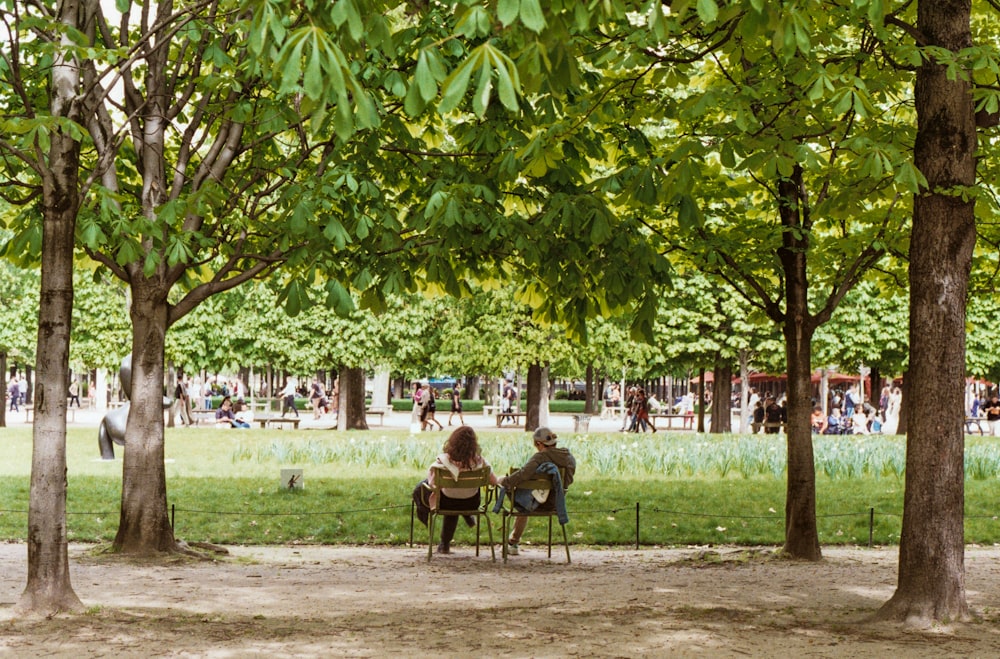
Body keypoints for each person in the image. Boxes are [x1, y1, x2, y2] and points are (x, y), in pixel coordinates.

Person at [412, 426, 500, 554]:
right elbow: (494, 481)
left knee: (422, 488)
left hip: (446, 503)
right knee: (458, 497)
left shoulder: (443, 461)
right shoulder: (480, 462)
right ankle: (467, 516)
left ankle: (444, 543)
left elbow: (432, 483)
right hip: (471, 503)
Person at [498, 427, 576, 557]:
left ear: (539, 444)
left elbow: (523, 475)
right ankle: (513, 542)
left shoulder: (540, 457)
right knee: (529, 497)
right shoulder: (569, 457)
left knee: (523, 500)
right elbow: (568, 481)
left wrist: (504, 481)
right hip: (555, 503)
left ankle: (513, 543)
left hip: (535, 503)